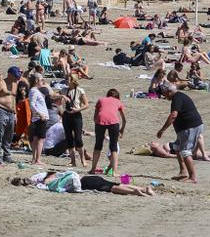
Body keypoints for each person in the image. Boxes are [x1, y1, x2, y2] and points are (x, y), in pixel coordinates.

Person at [157, 83, 203, 183]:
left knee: (185, 151)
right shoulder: (179, 96)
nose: (164, 96)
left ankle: (193, 177)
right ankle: (183, 171)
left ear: (168, 92)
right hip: (188, 127)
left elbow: (173, 115)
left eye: (164, 93)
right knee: (177, 147)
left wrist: (163, 129)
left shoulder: (176, 98)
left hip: (190, 127)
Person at [11, 171, 154, 196]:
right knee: (116, 184)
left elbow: (51, 182)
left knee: (114, 188)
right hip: (88, 177)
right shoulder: (42, 178)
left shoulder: (42, 181)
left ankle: (136, 192)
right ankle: (143, 188)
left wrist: (45, 181)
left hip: (86, 182)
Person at [90, 89, 126, 176]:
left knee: (98, 145)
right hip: (113, 121)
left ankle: (93, 169)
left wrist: (98, 126)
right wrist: (122, 129)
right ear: (117, 96)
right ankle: (114, 171)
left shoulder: (101, 100)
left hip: (100, 120)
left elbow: (95, 117)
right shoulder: (118, 101)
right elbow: (124, 119)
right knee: (113, 147)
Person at [0, 66, 21, 163]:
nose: (17, 78)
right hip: (1, 109)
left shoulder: (15, 84)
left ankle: (7, 155)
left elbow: (13, 99)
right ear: (9, 74)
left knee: (9, 135)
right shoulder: (1, 83)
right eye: (15, 76)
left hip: (11, 112)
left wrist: (15, 113)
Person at [62, 77, 89, 167]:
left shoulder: (80, 91)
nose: (66, 81)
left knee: (78, 138)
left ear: (73, 81)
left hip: (76, 115)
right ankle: (73, 161)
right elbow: (52, 96)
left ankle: (83, 160)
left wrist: (78, 109)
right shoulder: (64, 90)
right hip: (66, 115)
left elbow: (86, 105)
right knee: (69, 138)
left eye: (68, 80)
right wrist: (62, 96)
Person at [27, 73, 49, 165]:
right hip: (40, 118)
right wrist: (40, 114)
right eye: (41, 80)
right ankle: (37, 159)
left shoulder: (35, 91)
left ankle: (35, 159)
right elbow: (31, 104)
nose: (42, 82)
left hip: (39, 117)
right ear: (36, 81)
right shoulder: (34, 91)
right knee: (40, 139)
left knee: (37, 139)